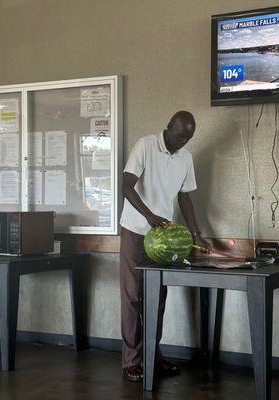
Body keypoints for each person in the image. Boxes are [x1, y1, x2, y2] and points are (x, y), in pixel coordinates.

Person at [119, 111, 211, 382]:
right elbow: (126, 186)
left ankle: (153, 356)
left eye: (189, 138)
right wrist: (148, 215)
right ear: (169, 127)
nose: (183, 141)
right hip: (136, 231)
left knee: (157, 300)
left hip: (163, 237)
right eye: (181, 135)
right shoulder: (145, 145)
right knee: (132, 297)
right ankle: (131, 361)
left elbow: (184, 197)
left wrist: (196, 233)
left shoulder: (185, 158)